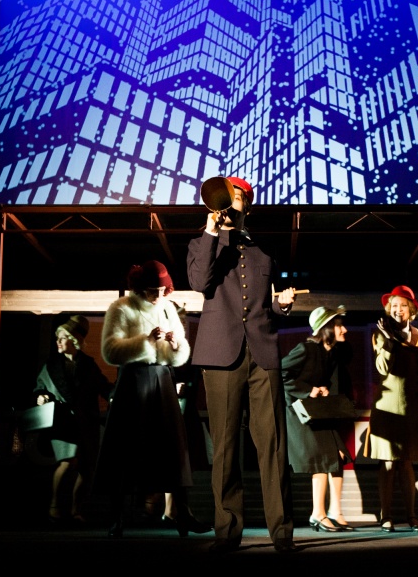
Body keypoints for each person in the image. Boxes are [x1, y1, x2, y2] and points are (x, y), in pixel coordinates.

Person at [186, 176, 299, 554]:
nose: (228, 202)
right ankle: (227, 531)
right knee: (226, 447)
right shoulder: (202, 244)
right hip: (221, 356)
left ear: (247, 204)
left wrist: (281, 305)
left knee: (274, 446)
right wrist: (212, 231)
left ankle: (282, 532)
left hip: (263, 355)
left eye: (235, 197)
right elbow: (200, 282)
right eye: (224, 197)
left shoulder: (263, 252)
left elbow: (265, 307)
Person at [95, 260, 208, 538]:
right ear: (139, 288)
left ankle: (183, 513)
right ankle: (117, 518)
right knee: (125, 446)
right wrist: (145, 341)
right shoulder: (122, 308)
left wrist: (175, 345)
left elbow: (180, 351)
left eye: (161, 290)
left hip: (162, 379)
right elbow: (110, 350)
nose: (157, 296)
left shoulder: (168, 308)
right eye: (151, 291)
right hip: (132, 381)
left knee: (172, 447)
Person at [360, 285, 418, 533]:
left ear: (411, 310)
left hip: (412, 407)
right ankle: (386, 515)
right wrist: (389, 340)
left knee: (407, 462)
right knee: (388, 463)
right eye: (394, 305)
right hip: (388, 406)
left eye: (403, 305)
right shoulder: (381, 334)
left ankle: (411, 515)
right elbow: (382, 368)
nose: (398, 309)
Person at [33, 314, 112, 525]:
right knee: (68, 461)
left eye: (62, 337)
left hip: (86, 423)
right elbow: (39, 387)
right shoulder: (51, 365)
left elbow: (105, 387)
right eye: (57, 337)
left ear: (74, 340)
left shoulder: (89, 365)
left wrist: (116, 396)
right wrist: (41, 396)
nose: (58, 341)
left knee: (86, 469)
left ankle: (77, 510)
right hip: (63, 422)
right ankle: (54, 507)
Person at [282, 305, 355, 533]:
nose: (344, 330)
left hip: (317, 411)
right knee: (323, 460)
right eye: (339, 325)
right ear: (326, 328)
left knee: (338, 455)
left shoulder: (330, 353)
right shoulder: (306, 349)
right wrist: (308, 390)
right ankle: (318, 513)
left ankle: (335, 511)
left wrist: (321, 389)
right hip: (300, 413)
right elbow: (280, 373)